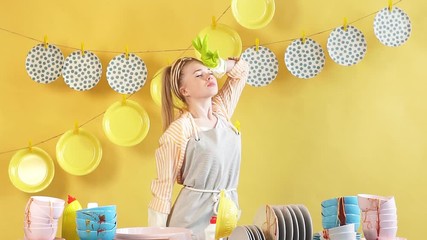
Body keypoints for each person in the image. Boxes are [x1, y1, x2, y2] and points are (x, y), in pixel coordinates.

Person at [148, 46, 249, 240]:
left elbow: (242, 71)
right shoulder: (180, 130)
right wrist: (157, 236)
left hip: (226, 214)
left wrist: (221, 65)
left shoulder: (222, 112)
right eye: (199, 75)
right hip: (190, 222)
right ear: (183, 90)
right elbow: (162, 190)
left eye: (210, 72)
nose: (208, 76)